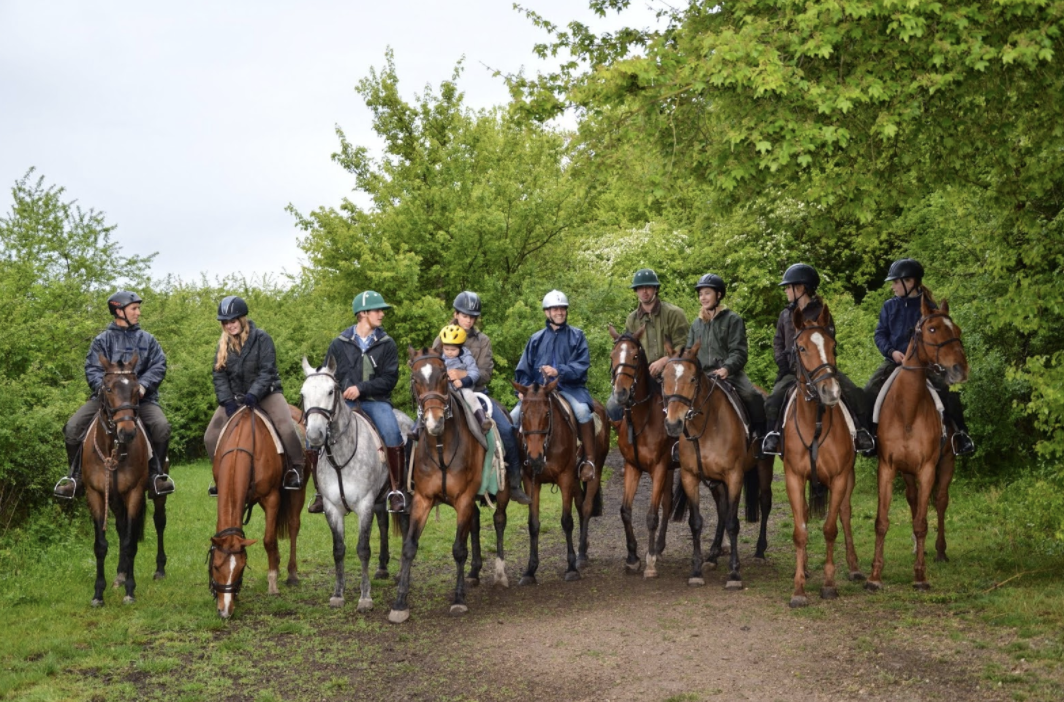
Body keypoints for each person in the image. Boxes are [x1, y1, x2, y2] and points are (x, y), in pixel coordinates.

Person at [54, 290, 175, 498]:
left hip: (141, 400)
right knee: (73, 427)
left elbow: (159, 365)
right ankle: (76, 478)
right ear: (119, 311)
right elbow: (92, 369)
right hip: (107, 401)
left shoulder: (148, 340)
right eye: (134, 308)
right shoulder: (102, 341)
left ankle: (156, 476)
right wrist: (103, 391)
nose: (138, 312)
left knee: (162, 427)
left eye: (138, 308)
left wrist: (143, 386)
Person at [864, 258, 975, 456]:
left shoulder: (930, 309)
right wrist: (892, 352)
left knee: (947, 392)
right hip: (894, 362)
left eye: (896, 282)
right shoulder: (889, 306)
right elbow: (880, 334)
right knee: (870, 390)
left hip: (924, 366)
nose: (893, 287)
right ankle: (871, 438)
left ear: (910, 282)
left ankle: (961, 435)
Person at [762, 264, 876, 456]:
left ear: (801, 288)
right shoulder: (785, 315)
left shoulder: (821, 313)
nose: (786, 291)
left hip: (820, 368)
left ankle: (861, 432)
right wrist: (784, 363)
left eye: (789, 287)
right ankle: (772, 434)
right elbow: (778, 342)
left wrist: (824, 365)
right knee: (774, 398)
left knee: (854, 392)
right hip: (793, 371)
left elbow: (830, 341)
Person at [431, 291, 531, 504]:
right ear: (456, 314)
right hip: (445, 395)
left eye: (472, 316)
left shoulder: (483, 340)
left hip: (476, 394)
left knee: (507, 430)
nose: (469, 319)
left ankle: (513, 482)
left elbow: (485, 373)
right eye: (465, 315)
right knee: (420, 427)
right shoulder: (441, 337)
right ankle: (413, 483)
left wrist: (462, 375)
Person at [311, 290, 406, 514]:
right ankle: (318, 492)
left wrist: (361, 388)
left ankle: (396, 490)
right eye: (377, 310)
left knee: (393, 433)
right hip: (344, 404)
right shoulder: (339, 343)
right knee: (313, 436)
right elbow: (328, 374)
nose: (382, 314)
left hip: (376, 401)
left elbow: (390, 379)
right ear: (362, 313)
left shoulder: (387, 343)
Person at [204, 296, 304, 496]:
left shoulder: (262, 338)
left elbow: (267, 371)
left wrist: (253, 395)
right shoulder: (223, 345)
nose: (229, 326)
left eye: (233, 321)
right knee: (210, 436)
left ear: (242, 319)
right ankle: (221, 475)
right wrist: (227, 401)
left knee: (285, 426)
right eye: (225, 322)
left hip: (266, 393)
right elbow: (219, 375)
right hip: (234, 398)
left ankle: (296, 468)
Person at [511, 290, 598, 481]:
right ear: (547, 312)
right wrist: (524, 390)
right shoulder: (535, 339)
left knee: (583, 411)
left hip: (570, 389)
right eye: (555, 309)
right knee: (513, 416)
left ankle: (589, 461)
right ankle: (515, 465)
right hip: (537, 394)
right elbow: (523, 370)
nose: (560, 312)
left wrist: (559, 371)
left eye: (562, 309)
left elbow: (582, 366)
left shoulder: (577, 336)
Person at [684, 273, 767, 443]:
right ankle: (681, 442)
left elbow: (739, 352)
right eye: (701, 294)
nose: (703, 297)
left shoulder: (732, 320)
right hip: (702, 375)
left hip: (729, 374)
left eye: (707, 293)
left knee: (752, 395)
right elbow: (689, 352)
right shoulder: (696, 324)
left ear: (719, 294)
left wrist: (727, 368)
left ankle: (760, 434)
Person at [607, 268, 690, 422]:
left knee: (680, 405)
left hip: (670, 371)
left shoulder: (674, 313)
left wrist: (664, 360)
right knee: (612, 406)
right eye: (640, 288)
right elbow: (628, 349)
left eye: (648, 287)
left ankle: (683, 442)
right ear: (636, 291)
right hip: (643, 375)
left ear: (655, 289)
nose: (644, 291)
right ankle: (627, 441)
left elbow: (684, 345)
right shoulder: (632, 319)